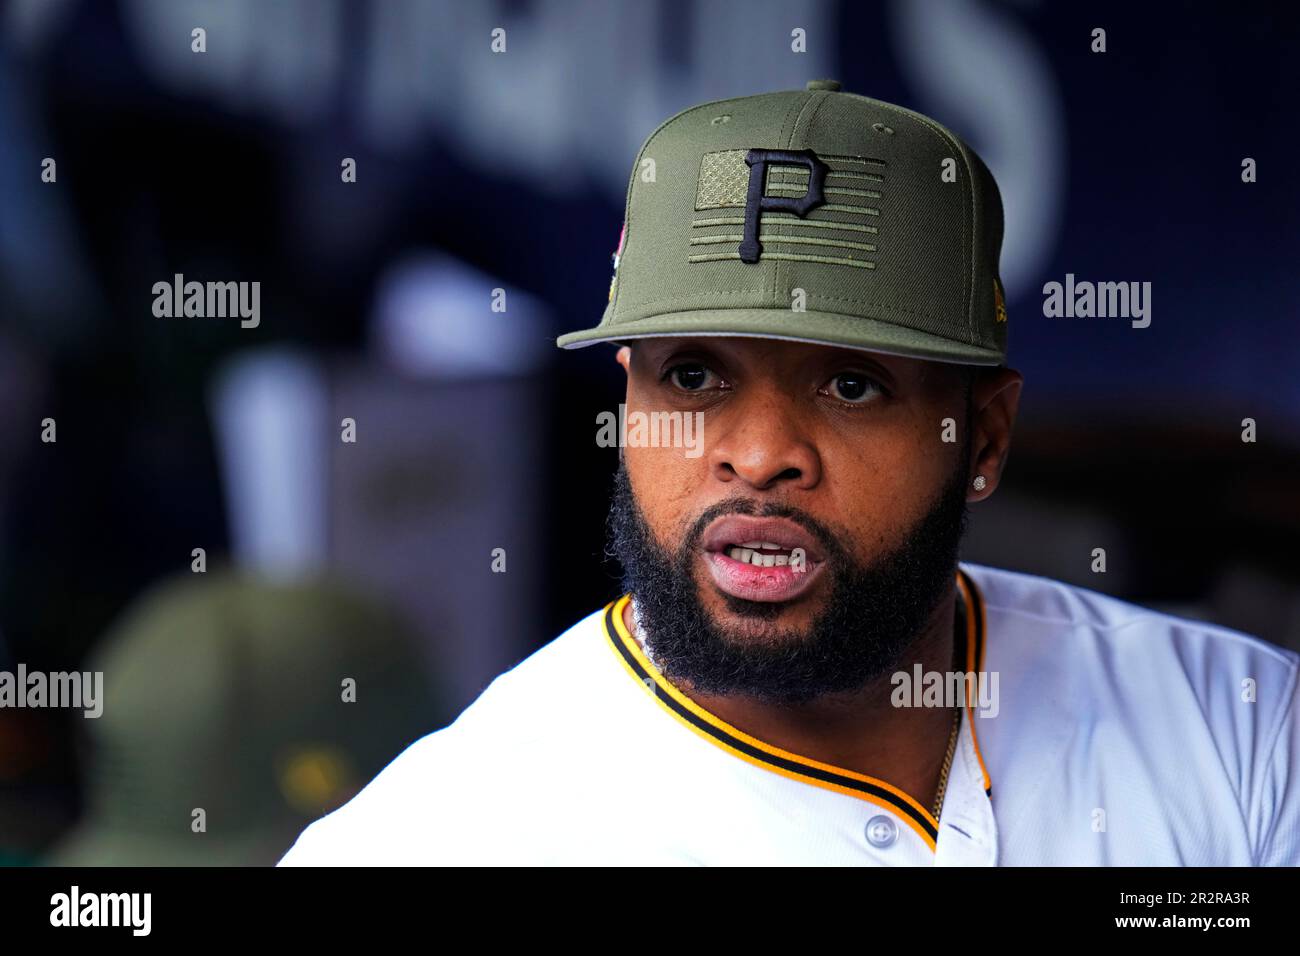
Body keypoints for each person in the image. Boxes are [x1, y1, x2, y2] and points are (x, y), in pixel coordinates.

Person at [278, 82, 1299, 866]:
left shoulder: (1237, 729)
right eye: (692, 375)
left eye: (850, 384)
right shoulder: (440, 839)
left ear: (982, 437)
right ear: (625, 399)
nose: (759, 453)